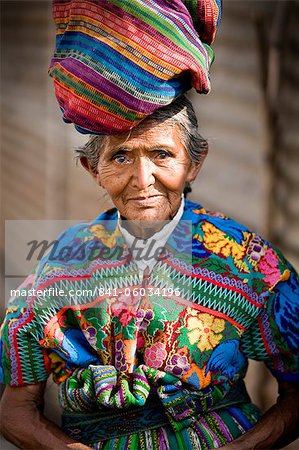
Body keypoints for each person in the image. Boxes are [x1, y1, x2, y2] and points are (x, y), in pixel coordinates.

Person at [0, 96, 299, 450]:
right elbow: (15, 409)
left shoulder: (247, 262)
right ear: (93, 169)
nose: (143, 180)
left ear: (194, 163)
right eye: (121, 157)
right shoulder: (63, 262)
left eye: (162, 155)